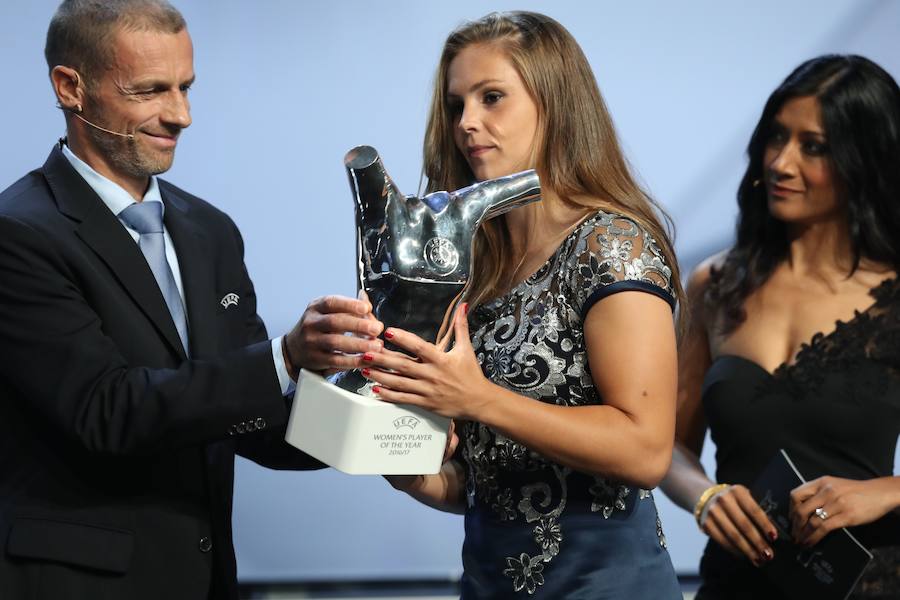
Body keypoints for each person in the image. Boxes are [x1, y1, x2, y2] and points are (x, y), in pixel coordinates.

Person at [0, 1, 383, 599]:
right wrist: (284, 356)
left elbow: (248, 421)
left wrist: (385, 408)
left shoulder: (210, 230)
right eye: (151, 90)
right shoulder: (18, 234)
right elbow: (109, 412)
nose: (180, 114)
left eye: (186, 87)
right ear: (70, 87)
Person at [362, 11, 685, 598]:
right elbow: (484, 484)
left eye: (492, 98)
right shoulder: (476, 266)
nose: (468, 123)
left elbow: (646, 449)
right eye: (457, 104)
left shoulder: (610, 244)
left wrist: (477, 397)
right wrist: (408, 469)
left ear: (555, 104)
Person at [660, 54, 900, 599]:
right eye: (776, 138)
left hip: (868, 584)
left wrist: (883, 492)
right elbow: (668, 445)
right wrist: (705, 497)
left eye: (812, 147)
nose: (780, 162)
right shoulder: (715, 283)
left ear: (866, 159)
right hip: (734, 583)